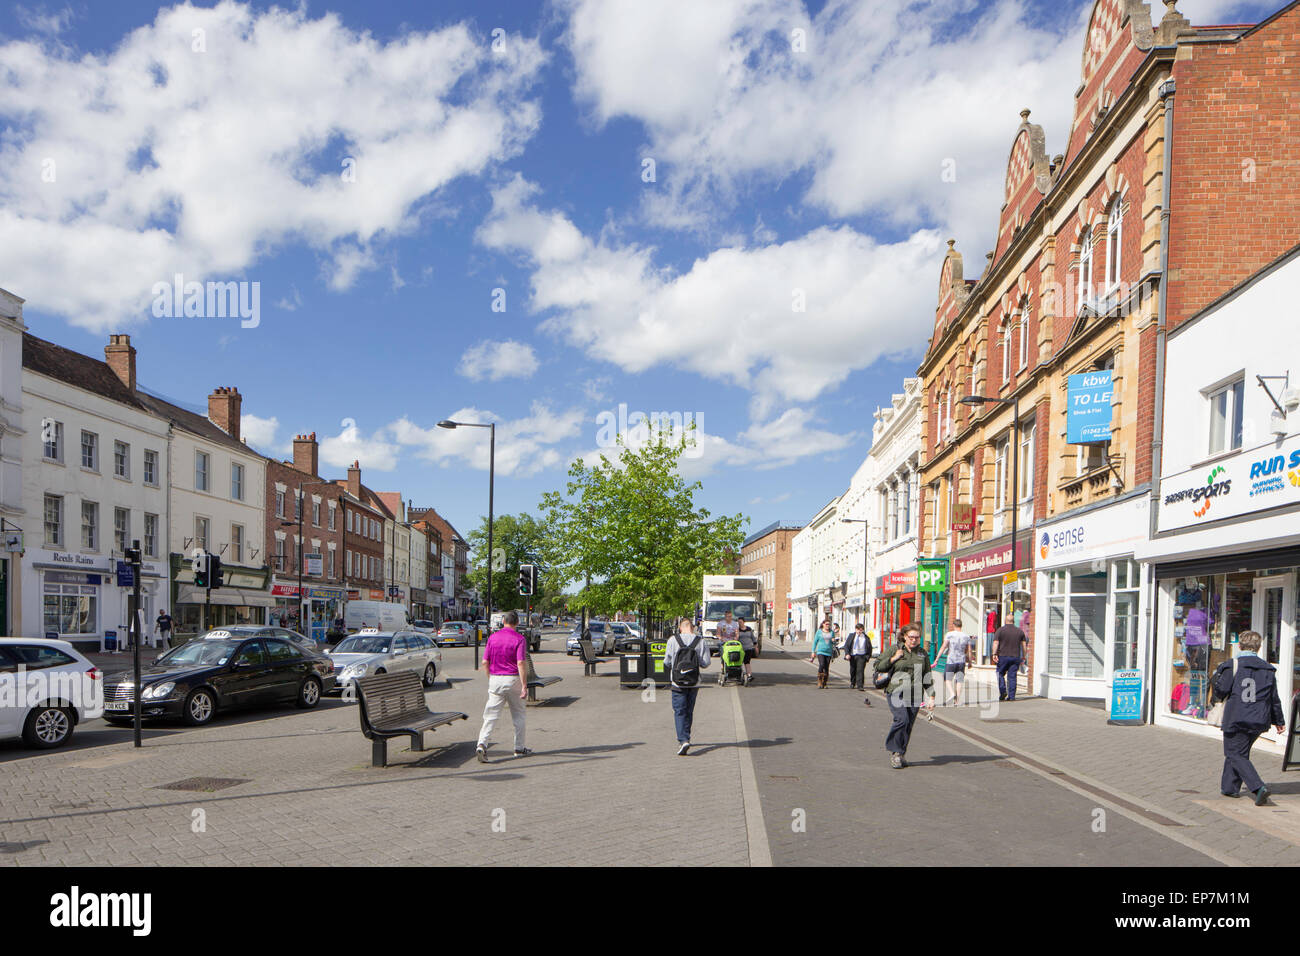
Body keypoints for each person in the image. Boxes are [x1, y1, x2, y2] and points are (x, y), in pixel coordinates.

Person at [1212, 631, 1286, 805]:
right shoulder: (1267, 669)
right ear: (1259, 647)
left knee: (1234, 752)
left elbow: (1220, 691)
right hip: (1259, 718)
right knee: (1239, 752)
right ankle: (1229, 788)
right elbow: (1273, 698)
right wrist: (1279, 721)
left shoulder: (1233, 665)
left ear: (1240, 645)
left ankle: (1258, 787)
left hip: (1236, 716)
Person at [874, 624, 935, 769]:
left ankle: (900, 754)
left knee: (908, 725)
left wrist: (931, 696)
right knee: (902, 719)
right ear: (904, 636)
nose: (914, 640)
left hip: (915, 693)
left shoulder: (922, 654)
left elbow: (927, 675)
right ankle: (895, 752)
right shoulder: (895, 649)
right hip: (896, 691)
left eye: (917, 637)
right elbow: (878, 666)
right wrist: (894, 658)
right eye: (911, 637)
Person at [475, 611, 532, 762]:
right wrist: (524, 685)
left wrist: (490, 678)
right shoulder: (519, 639)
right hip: (513, 679)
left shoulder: (493, 638)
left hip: (495, 679)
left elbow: (484, 662)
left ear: (503, 621)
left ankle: (482, 744)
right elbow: (520, 662)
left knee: (490, 716)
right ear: (517, 622)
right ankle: (519, 748)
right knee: (519, 715)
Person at [664, 616, 711, 755]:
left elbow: (667, 662)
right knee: (689, 711)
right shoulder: (700, 641)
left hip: (677, 682)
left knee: (679, 711)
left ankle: (683, 740)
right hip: (694, 681)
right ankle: (687, 737)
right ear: (692, 627)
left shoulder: (673, 640)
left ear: (680, 627)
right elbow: (705, 663)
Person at [934, 618, 974, 706]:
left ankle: (952, 693)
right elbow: (969, 650)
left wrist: (937, 658)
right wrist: (970, 662)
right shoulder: (966, 636)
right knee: (959, 680)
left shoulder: (949, 635)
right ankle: (957, 701)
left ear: (954, 625)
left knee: (947, 679)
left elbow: (944, 647)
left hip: (951, 660)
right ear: (961, 626)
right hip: (961, 661)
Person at [992, 614, 1029, 701]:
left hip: (1003, 656)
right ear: (1013, 621)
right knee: (1012, 676)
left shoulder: (1000, 630)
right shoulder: (1020, 631)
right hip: (1015, 657)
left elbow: (996, 643)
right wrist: (1024, 656)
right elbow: (1024, 645)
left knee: (1000, 673)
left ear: (1005, 621)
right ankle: (1011, 696)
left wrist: (994, 654)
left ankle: (1003, 691)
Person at [845, 623, 874, 696]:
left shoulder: (866, 638)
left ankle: (860, 685)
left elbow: (870, 648)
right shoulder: (851, 636)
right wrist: (847, 654)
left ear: (863, 630)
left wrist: (867, 657)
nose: (859, 632)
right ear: (855, 629)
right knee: (853, 670)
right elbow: (847, 645)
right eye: (858, 630)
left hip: (862, 656)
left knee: (860, 671)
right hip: (853, 655)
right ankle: (852, 682)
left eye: (861, 630)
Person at [809, 619, 835, 688]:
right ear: (823, 624)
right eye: (826, 624)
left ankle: (825, 683)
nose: (827, 626)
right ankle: (820, 681)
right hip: (820, 651)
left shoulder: (832, 632)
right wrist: (813, 651)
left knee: (826, 667)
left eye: (829, 624)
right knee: (822, 664)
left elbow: (834, 643)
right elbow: (815, 642)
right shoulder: (819, 632)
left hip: (828, 652)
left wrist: (833, 641)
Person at [735, 615, 756, 685]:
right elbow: (735, 639)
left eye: (740, 622)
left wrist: (756, 646)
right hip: (740, 649)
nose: (739, 623)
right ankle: (739, 675)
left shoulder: (749, 629)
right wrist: (737, 636)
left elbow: (753, 638)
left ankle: (749, 675)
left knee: (747, 662)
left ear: (744, 622)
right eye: (738, 622)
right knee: (739, 662)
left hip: (749, 648)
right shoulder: (737, 629)